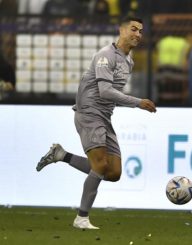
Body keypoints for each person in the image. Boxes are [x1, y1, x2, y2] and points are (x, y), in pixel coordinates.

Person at [36, 16, 156, 229]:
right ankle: (81, 218)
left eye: (141, 31)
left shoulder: (129, 61)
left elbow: (112, 95)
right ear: (121, 30)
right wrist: (138, 103)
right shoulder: (105, 55)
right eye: (133, 29)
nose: (138, 34)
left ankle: (61, 155)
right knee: (100, 165)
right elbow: (105, 91)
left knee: (114, 173)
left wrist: (131, 104)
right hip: (89, 112)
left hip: (104, 116)